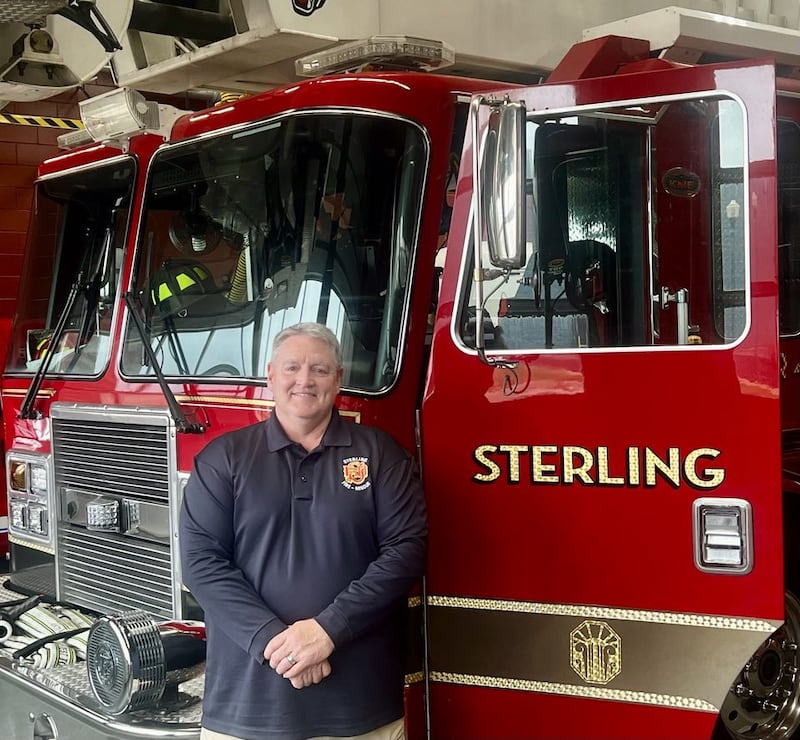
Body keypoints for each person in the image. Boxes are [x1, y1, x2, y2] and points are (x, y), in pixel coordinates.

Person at [179, 322, 427, 740]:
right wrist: (276, 643)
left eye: (320, 369)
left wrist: (328, 629)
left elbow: (407, 552)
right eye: (292, 368)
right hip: (246, 710)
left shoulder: (381, 455)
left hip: (362, 713)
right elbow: (201, 564)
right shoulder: (223, 459)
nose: (305, 380)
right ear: (271, 376)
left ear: (338, 379)